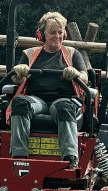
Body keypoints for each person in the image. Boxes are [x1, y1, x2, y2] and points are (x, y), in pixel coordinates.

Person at [8, 11, 89, 168]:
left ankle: (70, 158)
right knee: (19, 102)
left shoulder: (73, 54)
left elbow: (85, 78)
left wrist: (76, 73)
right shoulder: (30, 54)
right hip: (37, 100)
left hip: (64, 99)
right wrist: (19, 72)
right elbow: (16, 80)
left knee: (63, 107)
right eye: (52, 32)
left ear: (64, 34)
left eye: (60, 32)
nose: (56, 36)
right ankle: (19, 157)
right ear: (41, 35)